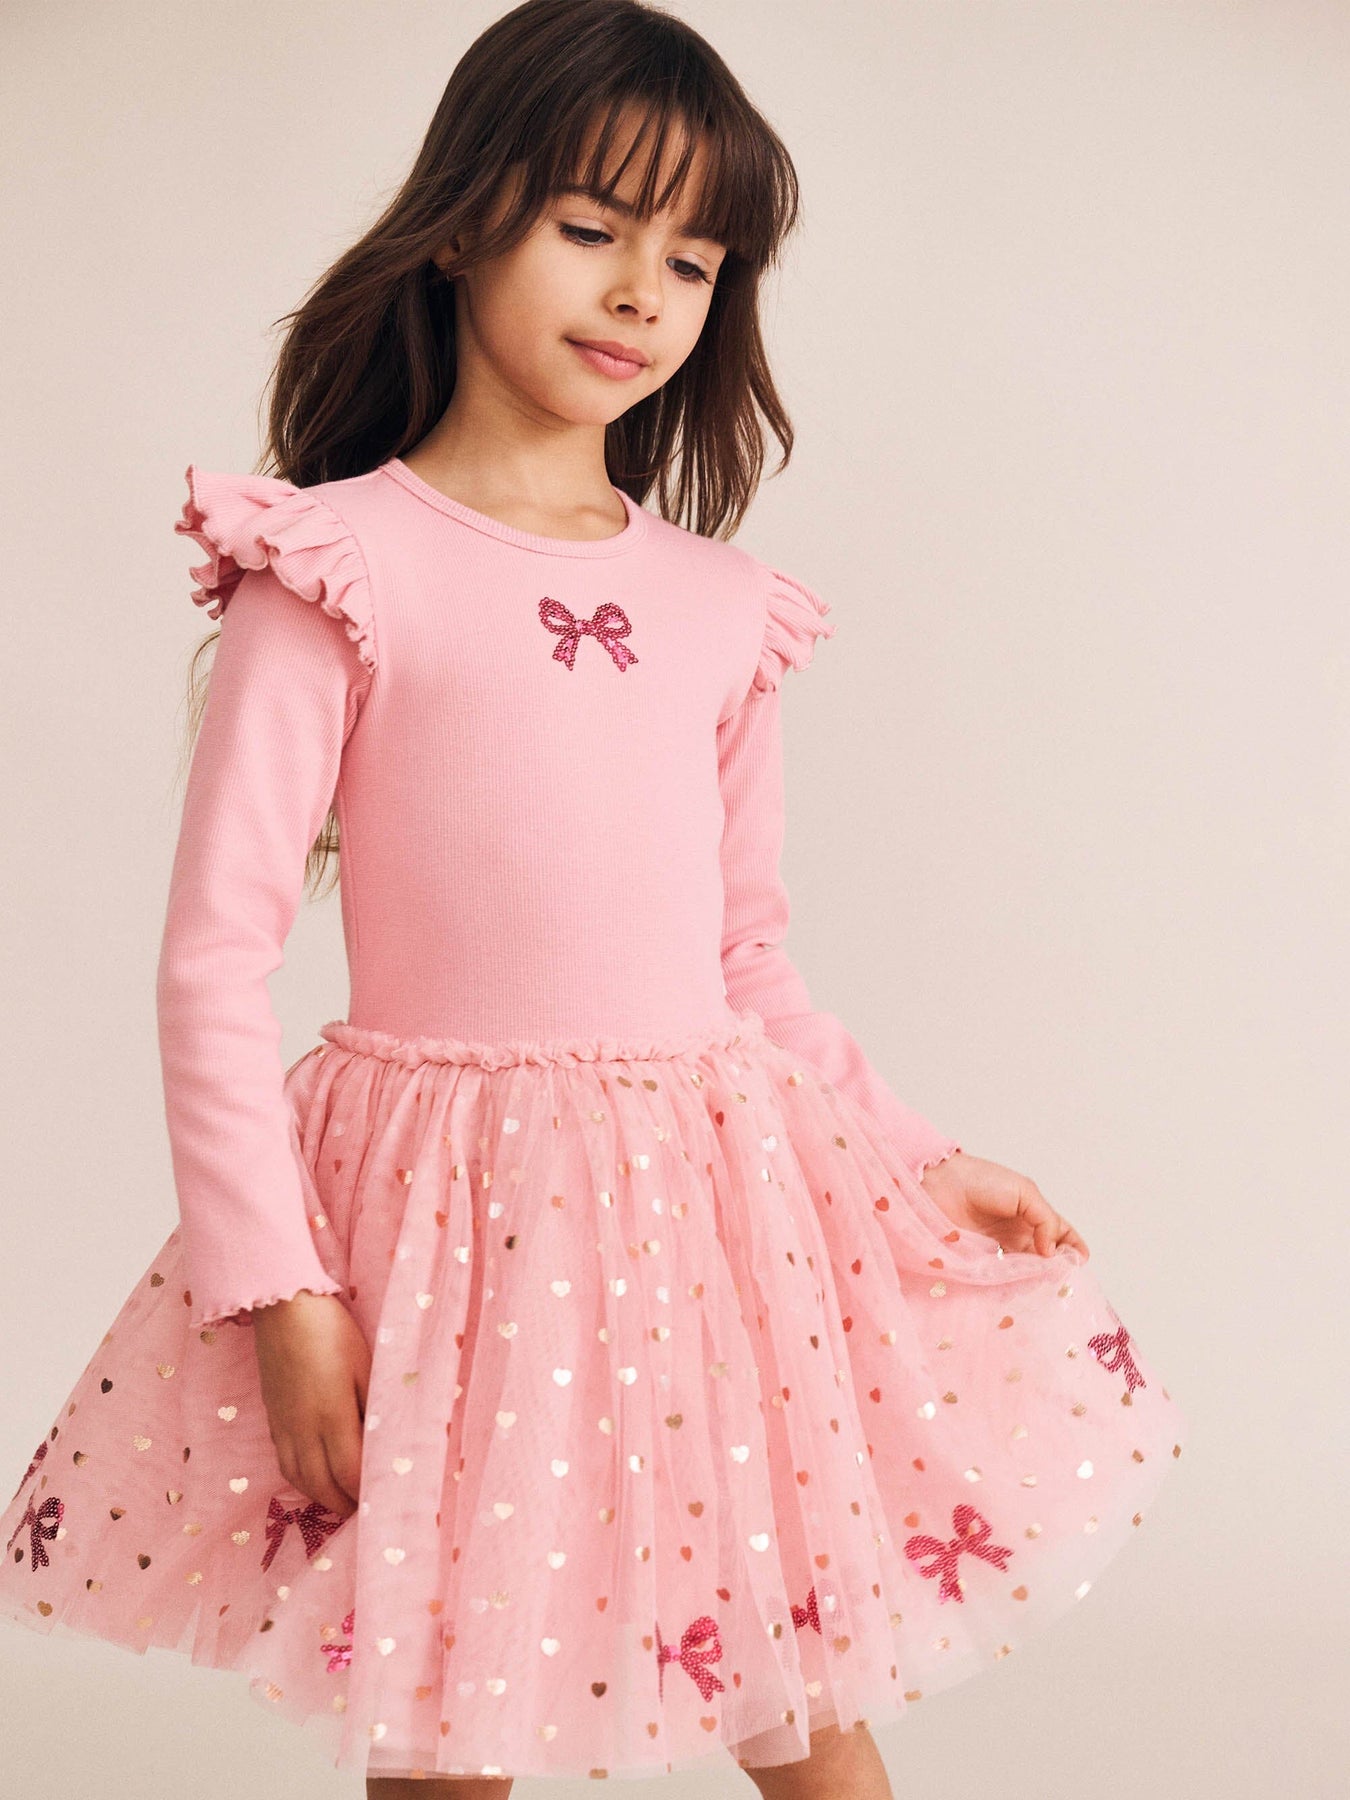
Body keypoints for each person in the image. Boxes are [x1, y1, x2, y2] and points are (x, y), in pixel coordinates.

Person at [0, 2, 1187, 1794]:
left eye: (692, 261)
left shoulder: (723, 608)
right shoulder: (331, 566)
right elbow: (211, 965)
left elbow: (743, 954)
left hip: (707, 1224)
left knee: (796, 1681)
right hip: (444, 1237)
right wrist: (276, 1285)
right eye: (591, 227)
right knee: (448, 1697)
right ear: (463, 221)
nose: (641, 291)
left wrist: (912, 1155)